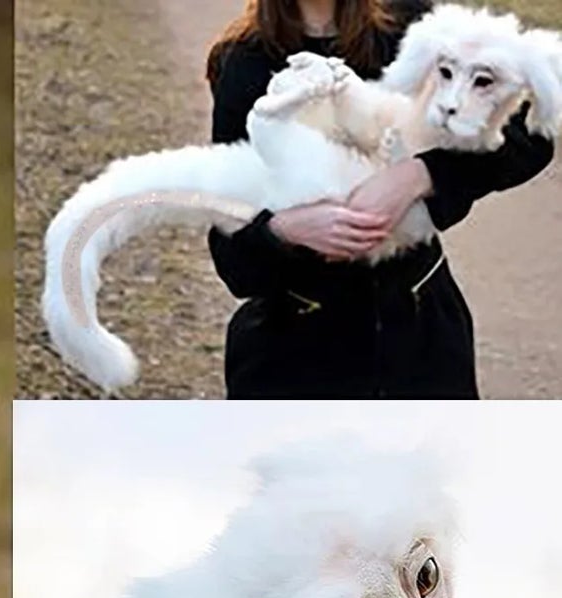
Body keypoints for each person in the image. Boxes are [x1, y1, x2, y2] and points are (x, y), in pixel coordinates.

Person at [206, 0, 555, 399]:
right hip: (293, 354)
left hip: (422, 340)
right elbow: (232, 255)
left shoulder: (412, 27)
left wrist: (423, 174)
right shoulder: (243, 64)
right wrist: (284, 231)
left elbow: (531, 136)